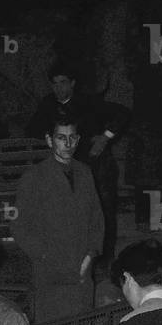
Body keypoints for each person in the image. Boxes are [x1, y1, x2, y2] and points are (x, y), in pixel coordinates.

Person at [26, 60, 130, 264]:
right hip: (67, 168)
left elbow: (123, 114)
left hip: (95, 165)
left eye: (63, 82)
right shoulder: (48, 104)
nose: (59, 88)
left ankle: (105, 260)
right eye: (55, 84)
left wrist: (104, 137)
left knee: (102, 210)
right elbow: (32, 128)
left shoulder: (89, 102)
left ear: (73, 83)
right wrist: (48, 137)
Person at [12, 116, 105, 323]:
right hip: (50, 272)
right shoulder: (34, 177)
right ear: (49, 140)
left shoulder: (85, 172)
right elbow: (19, 226)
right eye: (61, 138)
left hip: (82, 266)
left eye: (72, 137)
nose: (68, 144)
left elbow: (97, 218)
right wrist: (45, 256)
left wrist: (91, 254)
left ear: (78, 140)